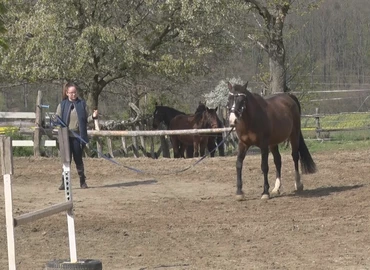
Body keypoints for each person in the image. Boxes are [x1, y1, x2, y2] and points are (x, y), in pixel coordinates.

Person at [54, 82, 98, 190]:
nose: (74, 94)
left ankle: (82, 181)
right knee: (66, 160)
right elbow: (56, 118)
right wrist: (58, 122)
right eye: (71, 93)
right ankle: (64, 182)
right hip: (66, 137)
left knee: (78, 159)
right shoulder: (62, 105)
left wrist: (92, 116)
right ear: (67, 93)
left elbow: (86, 120)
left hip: (78, 137)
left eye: (75, 92)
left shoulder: (82, 104)